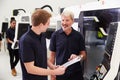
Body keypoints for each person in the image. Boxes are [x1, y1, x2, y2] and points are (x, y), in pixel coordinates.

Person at [19, 9, 66, 80]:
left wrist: (52, 66)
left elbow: (43, 57)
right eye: (48, 23)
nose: (49, 25)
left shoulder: (42, 36)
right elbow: (30, 69)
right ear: (41, 25)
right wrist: (54, 72)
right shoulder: (26, 41)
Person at [48, 10, 86, 80]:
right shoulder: (55, 35)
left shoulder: (78, 36)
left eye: (67, 20)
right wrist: (52, 73)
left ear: (72, 21)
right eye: (63, 20)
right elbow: (52, 56)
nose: (64, 23)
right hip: (60, 73)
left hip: (76, 74)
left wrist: (77, 57)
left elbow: (83, 55)